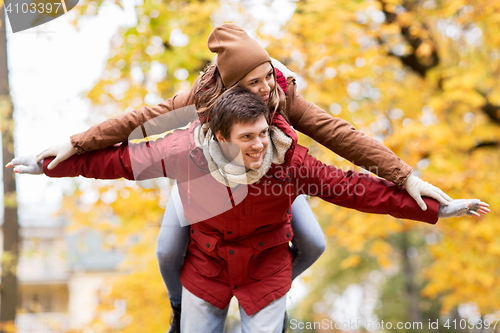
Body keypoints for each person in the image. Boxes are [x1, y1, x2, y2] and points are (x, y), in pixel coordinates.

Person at [32, 23, 454, 332]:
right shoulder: (203, 100)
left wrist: (406, 177)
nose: (267, 88)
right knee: (166, 248)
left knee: (315, 241)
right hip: (205, 179)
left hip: (274, 178)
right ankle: (179, 308)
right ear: (231, 90)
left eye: (268, 75)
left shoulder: (282, 92)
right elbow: (142, 122)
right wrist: (78, 143)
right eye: (255, 83)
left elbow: (338, 133)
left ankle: (268, 287)